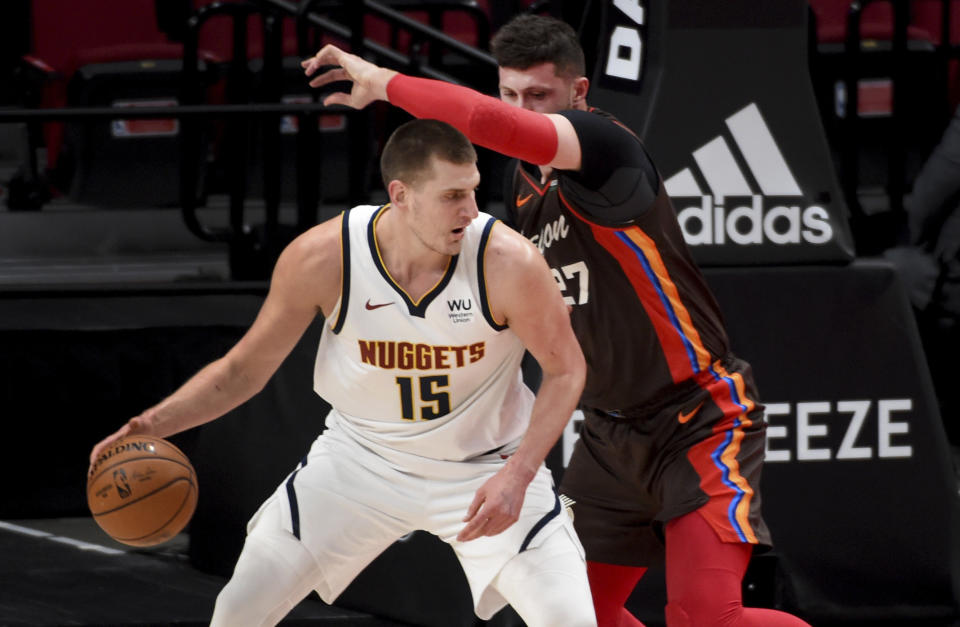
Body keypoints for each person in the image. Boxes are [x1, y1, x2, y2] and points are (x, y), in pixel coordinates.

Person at [303, 14, 811, 627]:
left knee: (704, 615)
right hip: (608, 435)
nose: (521, 111)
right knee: (571, 617)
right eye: (510, 94)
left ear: (579, 93)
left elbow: (492, 125)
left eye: (538, 97)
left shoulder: (602, 148)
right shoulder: (519, 192)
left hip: (696, 418)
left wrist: (384, 80)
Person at [88, 119, 597, 627]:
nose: (470, 209)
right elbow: (243, 371)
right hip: (360, 461)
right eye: (452, 195)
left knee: (568, 619)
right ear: (401, 194)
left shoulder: (508, 263)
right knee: (238, 612)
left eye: (473, 192)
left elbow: (566, 370)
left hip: (487, 467)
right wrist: (149, 427)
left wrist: (520, 473)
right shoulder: (322, 257)